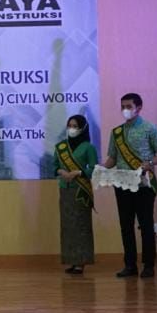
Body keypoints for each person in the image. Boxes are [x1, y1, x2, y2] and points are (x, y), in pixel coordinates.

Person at [102, 93, 157, 279]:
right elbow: (112, 158)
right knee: (126, 225)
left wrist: (150, 163)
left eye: (128, 106)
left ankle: (149, 265)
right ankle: (130, 265)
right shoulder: (116, 132)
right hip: (122, 183)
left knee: (146, 225)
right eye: (123, 106)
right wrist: (102, 169)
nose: (125, 110)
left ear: (138, 108)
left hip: (143, 184)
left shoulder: (150, 128)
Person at [54, 115, 97, 275]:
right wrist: (62, 172)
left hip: (81, 191)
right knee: (68, 227)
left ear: (82, 128)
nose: (71, 129)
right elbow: (54, 166)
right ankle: (71, 260)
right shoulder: (61, 147)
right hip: (65, 189)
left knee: (81, 226)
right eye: (69, 125)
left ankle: (81, 262)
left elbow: (94, 168)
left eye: (75, 126)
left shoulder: (88, 147)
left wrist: (78, 172)